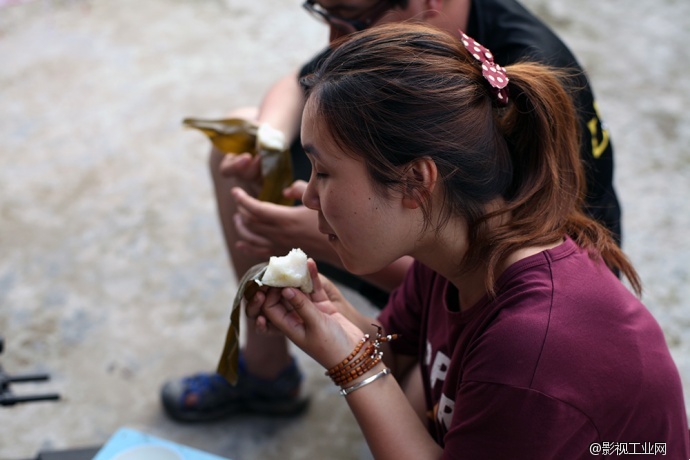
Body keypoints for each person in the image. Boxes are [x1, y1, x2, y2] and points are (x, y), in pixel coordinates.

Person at [161, 0, 621, 422]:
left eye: (350, 20)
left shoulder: (521, 332)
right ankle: (267, 379)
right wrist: (268, 140)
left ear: (425, 5)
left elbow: (511, 266)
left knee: (430, 407)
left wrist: (353, 363)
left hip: (510, 283)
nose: (333, 41)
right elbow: (298, 83)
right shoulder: (406, 43)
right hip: (462, 256)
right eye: (327, 17)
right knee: (242, 140)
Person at [246, 23, 690, 458]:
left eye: (323, 173)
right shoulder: (461, 245)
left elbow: (384, 370)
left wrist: (352, 366)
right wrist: (335, 319)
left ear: (416, 181)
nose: (308, 195)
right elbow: (398, 352)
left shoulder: (532, 346)